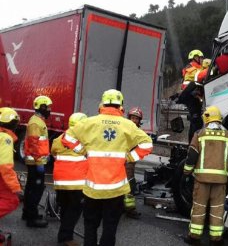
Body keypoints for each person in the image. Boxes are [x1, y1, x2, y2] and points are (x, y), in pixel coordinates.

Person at [61, 89, 153, 246]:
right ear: (121, 105)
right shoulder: (128, 125)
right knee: (110, 227)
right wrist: (130, 157)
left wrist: (83, 151)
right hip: (115, 190)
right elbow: (147, 144)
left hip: (92, 188)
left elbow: (67, 137)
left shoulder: (89, 122)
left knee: (90, 226)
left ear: (103, 103)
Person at [183, 106, 228, 246]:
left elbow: (191, 156)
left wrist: (186, 172)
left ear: (206, 118)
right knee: (217, 210)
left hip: (202, 181)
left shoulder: (200, 134)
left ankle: (194, 237)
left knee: (199, 208)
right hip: (220, 182)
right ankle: (216, 240)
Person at [52, 112, 88, 246]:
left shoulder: (59, 138)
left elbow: (54, 153)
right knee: (74, 210)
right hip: (76, 182)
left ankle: (63, 234)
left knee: (65, 208)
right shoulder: (83, 141)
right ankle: (66, 237)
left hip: (60, 182)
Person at [22, 95, 52, 228]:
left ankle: (27, 212)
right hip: (35, 163)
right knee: (36, 189)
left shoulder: (38, 120)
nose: (50, 110)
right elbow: (34, 144)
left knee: (30, 188)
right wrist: (40, 161)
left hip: (35, 161)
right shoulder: (36, 122)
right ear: (42, 107)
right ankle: (32, 218)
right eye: (48, 107)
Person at [0, 108, 22, 221]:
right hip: (1, 175)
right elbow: (5, 166)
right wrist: (16, 187)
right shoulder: (5, 138)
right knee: (11, 201)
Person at [123, 106, 144, 219]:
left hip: (130, 162)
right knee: (126, 185)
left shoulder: (138, 132)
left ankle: (128, 209)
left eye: (136, 118)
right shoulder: (124, 129)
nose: (134, 120)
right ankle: (128, 209)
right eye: (133, 118)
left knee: (129, 185)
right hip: (123, 161)